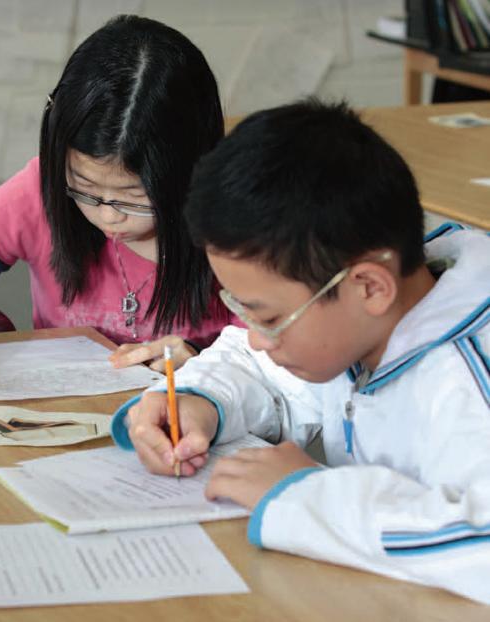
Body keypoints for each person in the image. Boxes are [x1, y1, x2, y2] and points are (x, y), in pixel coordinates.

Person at [111, 99, 490, 604]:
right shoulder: (365, 318)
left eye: (268, 318)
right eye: (241, 311)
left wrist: (304, 493)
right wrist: (200, 400)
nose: (256, 337)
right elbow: (263, 371)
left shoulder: (467, 382)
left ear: (369, 288)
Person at [0, 15, 230, 392]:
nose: (107, 214)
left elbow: (282, 370)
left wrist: (206, 366)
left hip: (191, 435)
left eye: (135, 198)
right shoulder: (38, 192)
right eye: (84, 187)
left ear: (193, 167)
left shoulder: (238, 222)